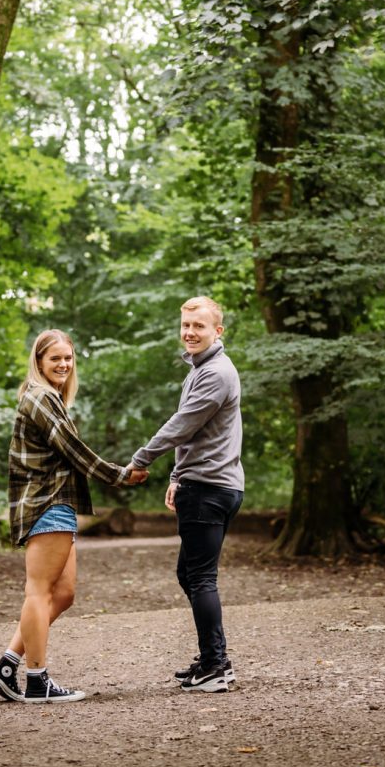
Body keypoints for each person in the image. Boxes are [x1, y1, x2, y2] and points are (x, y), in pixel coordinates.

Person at [0, 329, 147, 704]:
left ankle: (8, 665)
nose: (63, 364)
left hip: (58, 503)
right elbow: (75, 451)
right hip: (45, 501)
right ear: (39, 361)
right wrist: (120, 475)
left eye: (68, 358)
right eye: (55, 358)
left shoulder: (49, 398)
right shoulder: (41, 398)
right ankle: (38, 680)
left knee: (64, 594)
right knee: (39, 592)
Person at [131, 297, 244, 694]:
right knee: (191, 574)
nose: (190, 332)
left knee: (200, 577)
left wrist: (140, 460)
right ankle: (213, 659)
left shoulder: (215, 373)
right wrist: (177, 475)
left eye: (199, 325)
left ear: (218, 331)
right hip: (208, 483)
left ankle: (216, 665)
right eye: (185, 325)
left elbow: (182, 425)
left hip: (210, 488)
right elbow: (197, 434)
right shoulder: (202, 369)